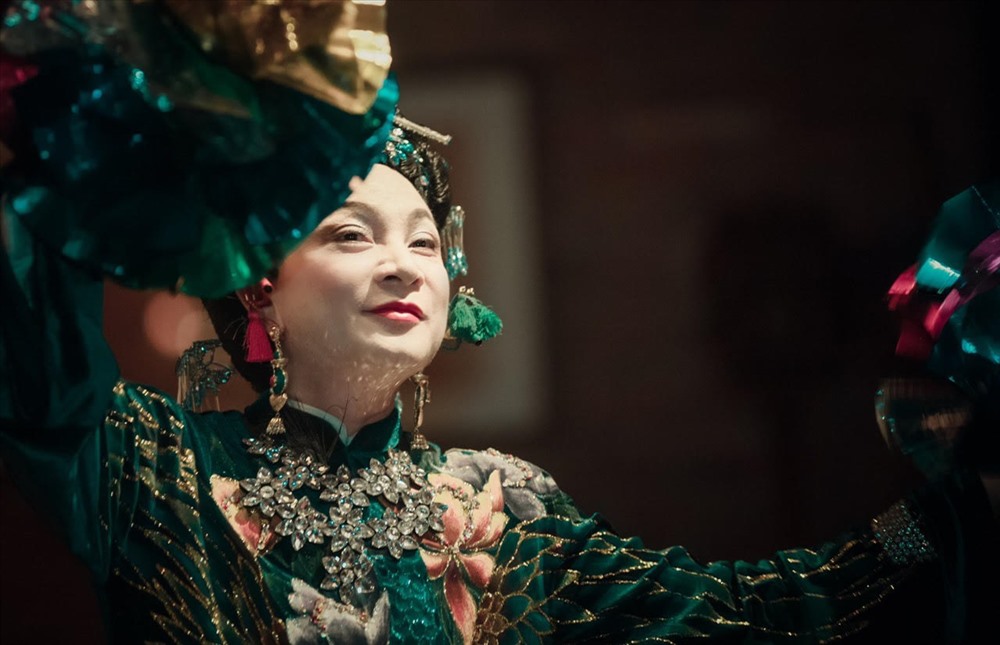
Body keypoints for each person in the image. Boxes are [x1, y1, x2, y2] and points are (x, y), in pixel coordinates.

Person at [2, 2, 999, 644]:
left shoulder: (496, 510)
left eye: (424, 243)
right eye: (352, 235)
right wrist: (80, 111)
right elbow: (32, 330)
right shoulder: (153, 464)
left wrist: (957, 508)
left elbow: (747, 615)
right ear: (261, 287)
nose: (406, 262)